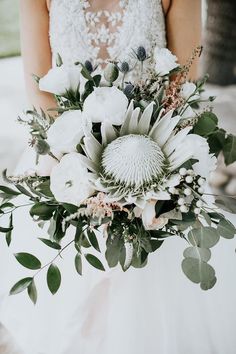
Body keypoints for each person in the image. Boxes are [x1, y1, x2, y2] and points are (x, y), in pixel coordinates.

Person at [0, 1, 236, 354]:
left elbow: (184, 84)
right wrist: (84, 173)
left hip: (154, 164)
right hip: (64, 160)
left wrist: (144, 177)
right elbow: (40, 91)